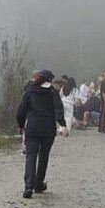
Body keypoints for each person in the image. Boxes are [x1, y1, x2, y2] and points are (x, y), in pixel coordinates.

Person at [16, 70, 66, 199]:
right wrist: (63, 124)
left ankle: (28, 186)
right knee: (44, 157)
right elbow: (58, 109)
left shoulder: (30, 91)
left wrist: (21, 126)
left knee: (31, 156)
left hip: (32, 128)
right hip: (48, 129)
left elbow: (21, 111)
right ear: (49, 80)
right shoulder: (52, 92)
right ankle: (38, 184)